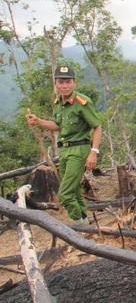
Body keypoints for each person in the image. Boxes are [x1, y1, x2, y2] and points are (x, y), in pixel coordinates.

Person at [25, 66, 102, 225]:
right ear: (55, 83)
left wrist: (93, 153)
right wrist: (38, 121)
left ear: (75, 83)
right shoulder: (58, 103)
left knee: (65, 195)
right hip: (65, 150)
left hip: (79, 150)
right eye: (61, 82)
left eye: (68, 82)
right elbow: (58, 125)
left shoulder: (82, 102)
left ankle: (79, 226)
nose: (64, 85)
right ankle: (86, 225)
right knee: (74, 191)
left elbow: (97, 127)